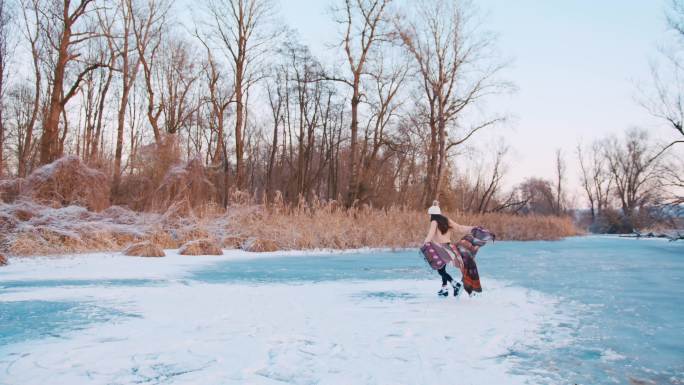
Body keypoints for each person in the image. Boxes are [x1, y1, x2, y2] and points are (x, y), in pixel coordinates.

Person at [423, 201, 473, 297]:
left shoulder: (434, 221)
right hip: (448, 248)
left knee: (440, 270)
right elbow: (459, 228)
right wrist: (472, 228)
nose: (429, 216)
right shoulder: (447, 220)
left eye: (430, 215)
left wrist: (424, 244)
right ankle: (444, 288)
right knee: (442, 269)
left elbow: (430, 234)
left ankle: (455, 284)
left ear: (433, 215)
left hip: (438, 248)